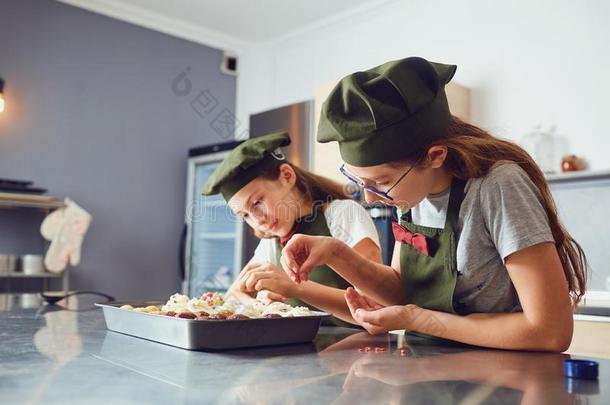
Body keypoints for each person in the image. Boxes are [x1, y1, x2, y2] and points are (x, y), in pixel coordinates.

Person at [280, 56, 587, 351]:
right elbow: (401, 291)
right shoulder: (410, 194)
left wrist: (419, 319)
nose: (371, 198)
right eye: (361, 182)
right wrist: (334, 253)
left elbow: (550, 330)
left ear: (435, 156)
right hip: (433, 371)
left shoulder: (497, 185)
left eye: (381, 182)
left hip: (504, 377)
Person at [202, 131, 382, 326]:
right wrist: (262, 305)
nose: (258, 220)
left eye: (257, 202)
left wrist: (297, 288)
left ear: (287, 176)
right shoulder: (271, 242)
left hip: (355, 351)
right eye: (245, 215)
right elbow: (235, 294)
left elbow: (375, 306)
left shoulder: (342, 215)